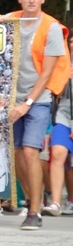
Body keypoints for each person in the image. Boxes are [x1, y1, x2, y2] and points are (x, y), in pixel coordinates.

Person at [0, 0, 70, 230]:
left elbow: (47, 73)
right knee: (16, 156)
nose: (31, 1)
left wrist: (26, 103)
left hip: (37, 99)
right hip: (11, 99)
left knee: (30, 151)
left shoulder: (51, 28)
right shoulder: (10, 19)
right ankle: (32, 197)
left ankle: (34, 212)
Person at [42, 33, 73, 216]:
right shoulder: (62, 64)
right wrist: (63, 78)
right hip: (63, 114)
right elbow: (56, 92)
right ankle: (55, 202)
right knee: (58, 152)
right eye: (70, 40)